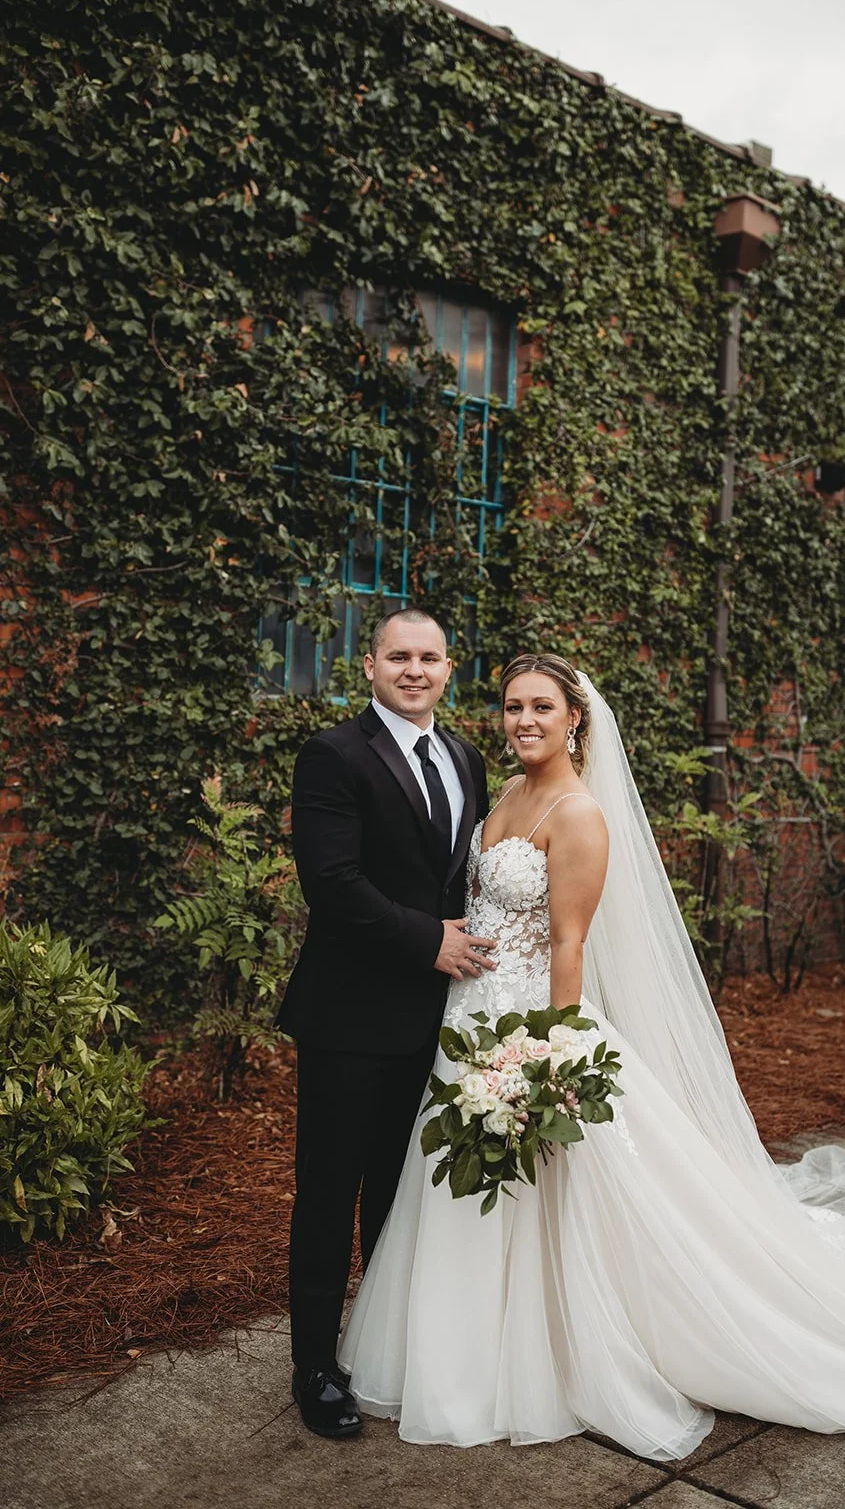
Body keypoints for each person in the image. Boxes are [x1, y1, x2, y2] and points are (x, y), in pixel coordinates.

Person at [337, 651, 845, 1460]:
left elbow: (570, 943)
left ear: (575, 717)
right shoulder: (506, 789)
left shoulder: (578, 813)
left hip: (532, 1028)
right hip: (466, 1019)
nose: (525, 722)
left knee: (559, 1192)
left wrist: (544, 1056)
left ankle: (558, 1350)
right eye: (512, 707)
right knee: (465, 1193)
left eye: (542, 707)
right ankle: (462, 1348)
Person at [279, 609, 494, 1438]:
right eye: (397, 656)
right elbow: (330, 883)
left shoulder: (464, 756)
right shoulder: (334, 755)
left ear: (448, 671)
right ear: (367, 666)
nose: (414, 670)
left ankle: (384, 1345)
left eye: (429, 658)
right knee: (330, 1196)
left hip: (436, 1023)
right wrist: (427, 940)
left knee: (403, 1200)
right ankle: (315, 1368)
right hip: (349, 1016)